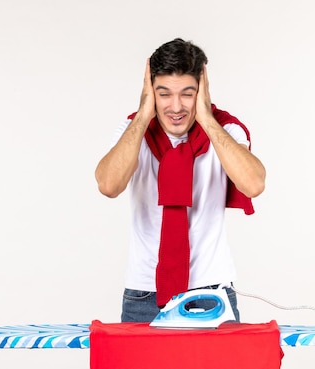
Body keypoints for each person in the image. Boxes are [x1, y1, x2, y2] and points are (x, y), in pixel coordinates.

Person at [95, 38, 266, 323]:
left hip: (212, 291)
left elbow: (254, 184)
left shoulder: (225, 131)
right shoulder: (133, 131)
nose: (176, 107)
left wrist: (208, 119)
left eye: (187, 94)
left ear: (202, 91)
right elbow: (108, 185)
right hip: (143, 295)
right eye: (164, 94)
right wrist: (142, 113)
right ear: (150, 93)